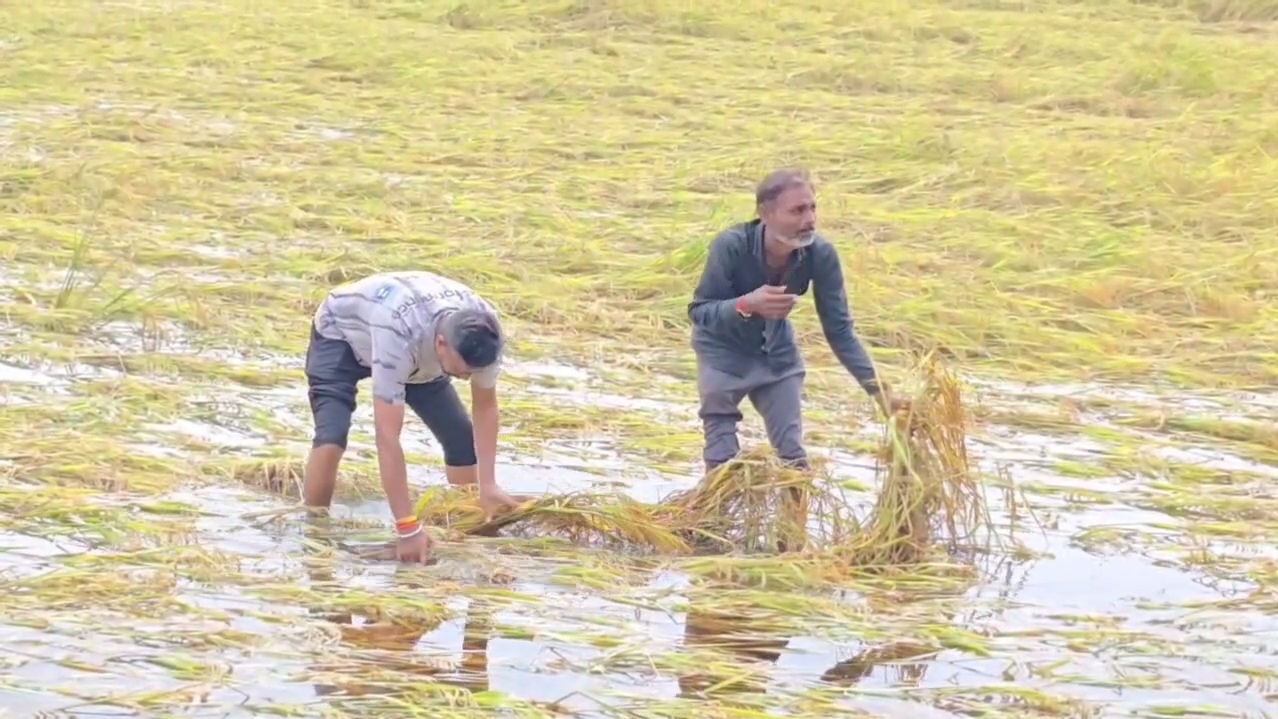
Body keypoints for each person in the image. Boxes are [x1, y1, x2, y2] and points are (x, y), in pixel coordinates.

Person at [687, 168, 907, 473]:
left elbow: (840, 331)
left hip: (778, 358)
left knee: (793, 461)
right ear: (766, 214)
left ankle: (794, 519)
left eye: (813, 207)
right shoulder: (731, 246)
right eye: (798, 210)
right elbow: (699, 311)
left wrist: (879, 391)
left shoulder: (821, 254)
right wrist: (747, 304)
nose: (810, 219)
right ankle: (712, 520)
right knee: (722, 459)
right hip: (722, 357)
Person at [302, 270, 522, 563]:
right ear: (442, 344)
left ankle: (468, 522)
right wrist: (407, 527)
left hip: (420, 350)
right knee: (333, 437)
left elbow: (486, 407)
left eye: (473, 371)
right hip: (342, 335)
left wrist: (489, 484)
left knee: (461, 439)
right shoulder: (399, 334)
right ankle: (315, 534)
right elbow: (388, 436)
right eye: (462, 371)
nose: (468, 377)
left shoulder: (485, 330)